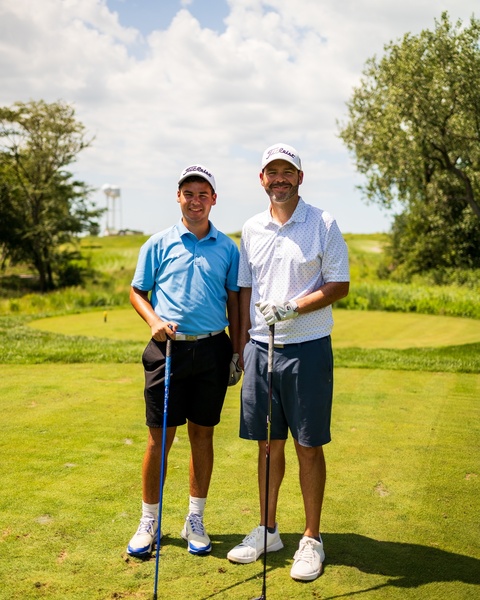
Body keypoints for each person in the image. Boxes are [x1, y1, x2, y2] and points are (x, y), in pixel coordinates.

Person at [227, 143, 350, 581]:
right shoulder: (251, 228)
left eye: (287, 172)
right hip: (261, 348)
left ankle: (312, 538)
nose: (279, 179)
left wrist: (293, 307)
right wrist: (242, 346)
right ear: (262, 179)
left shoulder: (323, 223)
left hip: (307, 347)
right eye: (272, 172)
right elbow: (245, 289)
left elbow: (339, 284)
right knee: (267, 444)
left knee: (308, 445)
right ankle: (268, 530)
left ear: (300, 177)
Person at [127, 164, 241, 558]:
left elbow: (234, 301)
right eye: (188, 193)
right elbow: (137, 292)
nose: (196, 201)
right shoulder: (157, 244)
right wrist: (154, 320)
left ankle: (195, 519)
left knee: (202, 436)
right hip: (167, 349)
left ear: (214, 199)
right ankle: (148, 521)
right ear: (178, 197)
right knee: (159, 438)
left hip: (212, 350)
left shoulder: (228, 248)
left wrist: (237, 350)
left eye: (203, 194)